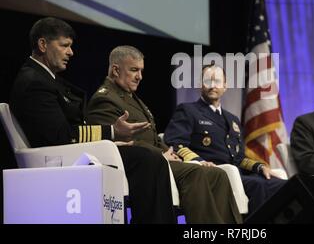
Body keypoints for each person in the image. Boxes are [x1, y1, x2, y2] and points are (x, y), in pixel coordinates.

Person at [9, 17, 175, 224]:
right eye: (65, 46)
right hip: (56, 159)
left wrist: (108, 141)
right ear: (43, 45)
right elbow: (60, 136)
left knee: (147, 156)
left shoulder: (46, 79)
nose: (71, 52)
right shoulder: (34, 82)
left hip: (71, 152)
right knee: (147, 158)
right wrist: (111, 134)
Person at [86, 46, 242, 224]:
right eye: (134, 70)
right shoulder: (105, 99)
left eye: (141, 71)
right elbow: (118, 144)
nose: (140, 76)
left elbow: (152, 137)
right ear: (115, 69)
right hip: (142, 165)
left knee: (217, 174)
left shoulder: (131, 97)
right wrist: (161, 155)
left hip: (157, 160)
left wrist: (173, 154)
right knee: (195, 173)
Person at [164, 64, 286, 215]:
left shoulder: (232, 119)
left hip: (238, 174)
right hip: (214, 174)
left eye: (217, 81)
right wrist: (199, 161)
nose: (212, 85)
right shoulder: (188, 110)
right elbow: (175, 143)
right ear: (200, 85)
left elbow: (239, 157)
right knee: (258, 186)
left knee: (283, 186)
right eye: (208, 81)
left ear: (225, 86)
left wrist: (260, 167)